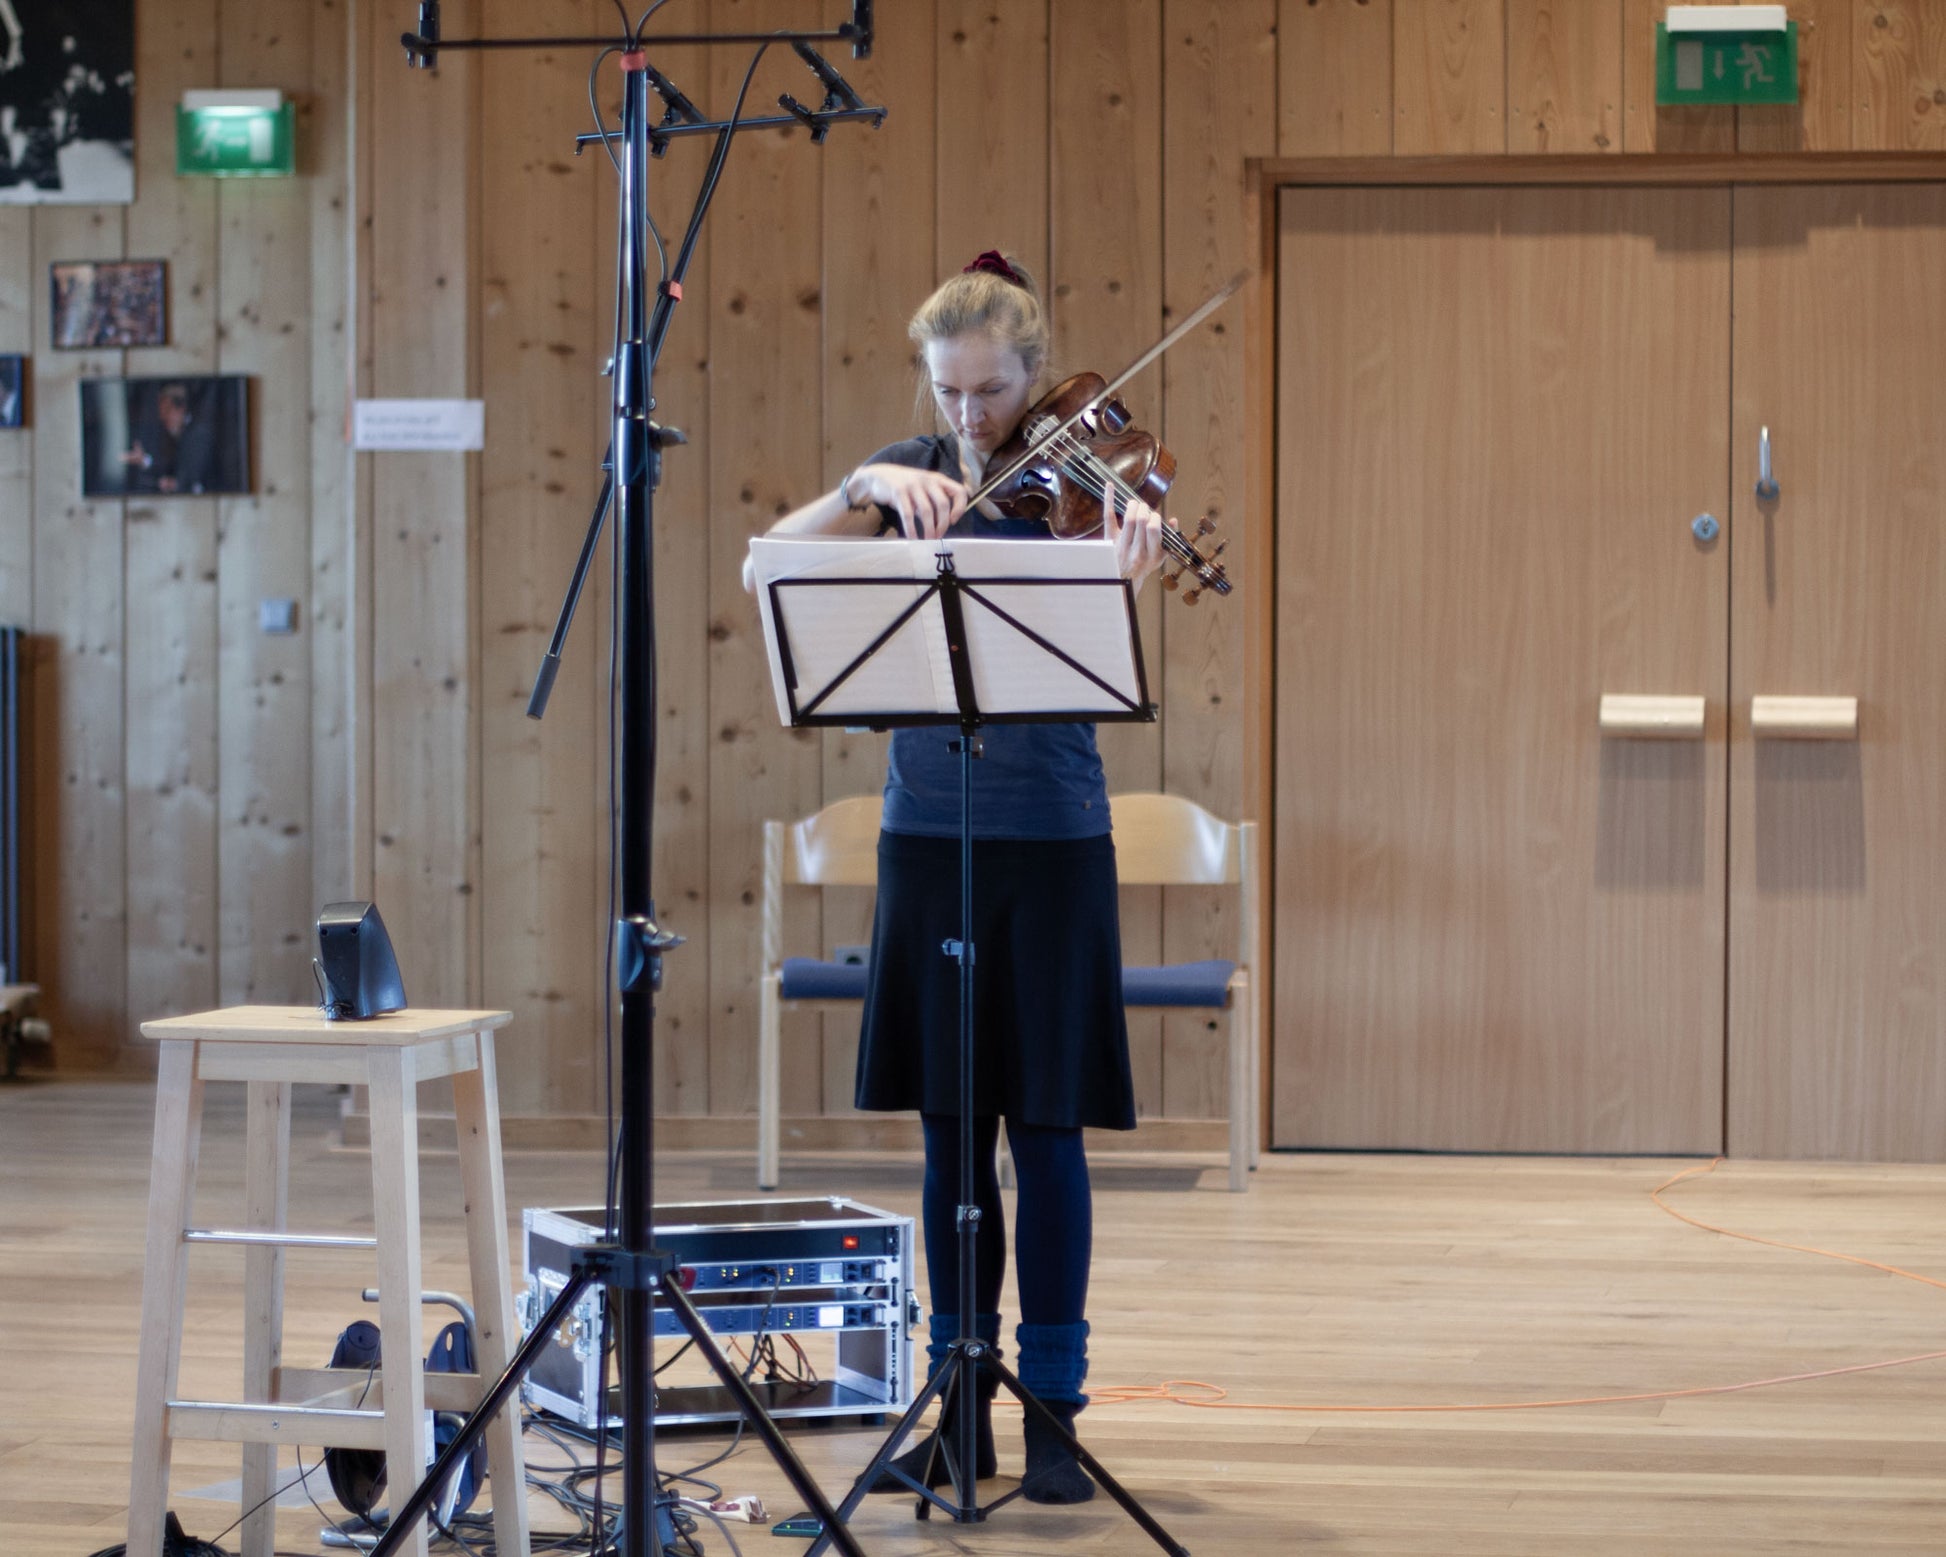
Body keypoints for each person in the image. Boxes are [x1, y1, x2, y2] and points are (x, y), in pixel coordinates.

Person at [752, 251, 1173, 1503]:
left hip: (1048, 840)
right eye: (947, 393)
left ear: (1031, 377)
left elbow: (1123, 558)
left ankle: (1051, 1409)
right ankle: (956, 1403)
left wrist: (1132, 545)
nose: (968, 419)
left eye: (988, 393)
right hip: (926, 838)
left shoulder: (1081, 490)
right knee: (947, 1137)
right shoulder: (910, 476)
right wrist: (860, 482)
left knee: (1043, 1130)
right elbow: (763, 562)